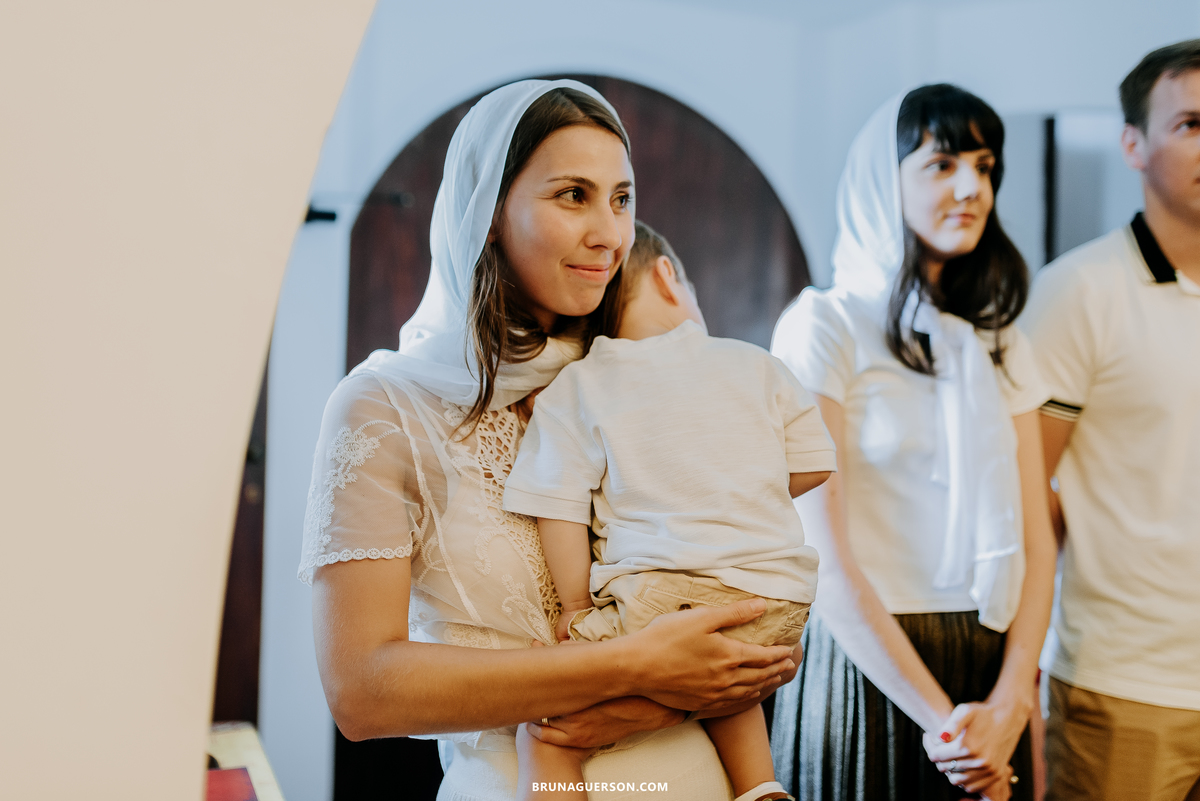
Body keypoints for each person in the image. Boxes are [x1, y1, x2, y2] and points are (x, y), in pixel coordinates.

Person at [298, 80, 798, 801]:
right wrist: (632, 665)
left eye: (621, 199)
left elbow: (752, 610)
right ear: (488, 214)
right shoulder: (384, 409)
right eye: (573, 196)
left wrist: (705, 672)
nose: (610, 234)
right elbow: (362, 691)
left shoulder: (633, 380)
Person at [768, 84, 1057, 801]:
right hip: (868, 666)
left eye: (985, 167)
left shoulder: (999, 340)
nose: (972, 187)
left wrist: (1011, 702)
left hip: (989, 665)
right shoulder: (825, 326)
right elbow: (822, 560)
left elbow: (1038, 540)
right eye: (941, 165)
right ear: (880, 182)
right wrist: (951, 732)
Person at [501, 221, 836, 801]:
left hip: (660, 601)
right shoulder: (755, 363)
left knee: (547, 729)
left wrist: (576, 606)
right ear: (667, 276)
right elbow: (814, 465)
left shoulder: (580, 385)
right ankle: (761, 786)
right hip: (779, 603)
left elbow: (556, 507)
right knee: (727, 674)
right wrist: (736, 489)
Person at [1020, 40, 1200, 801]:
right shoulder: (1079, 292)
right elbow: (1024, 489)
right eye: (1190, 124)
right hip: (1127, 683)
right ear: (1133, 144)